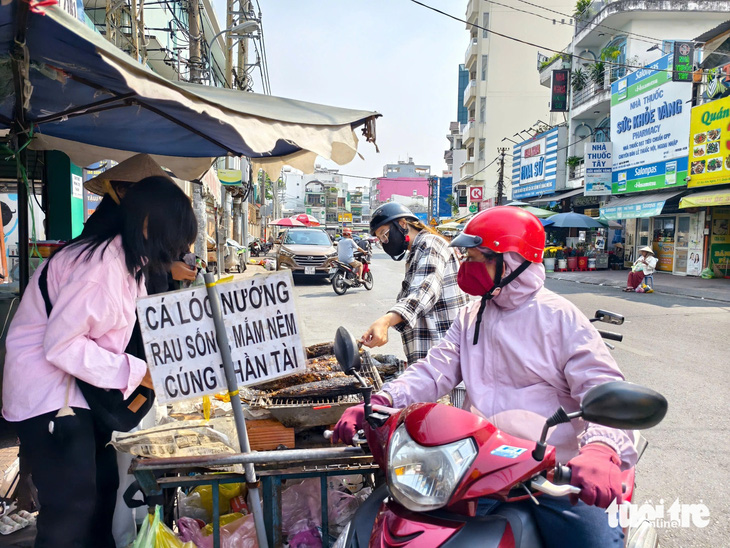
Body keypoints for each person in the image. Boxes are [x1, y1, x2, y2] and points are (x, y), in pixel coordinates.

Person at [334, 207, 635, 546]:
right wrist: (383, 400)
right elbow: (434, 371)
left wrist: (600, 449)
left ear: (513, 261)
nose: (468, 268)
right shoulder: (471, 314)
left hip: (554, 473)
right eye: (468, 258)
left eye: (479, 259)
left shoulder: (560, 318)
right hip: (482, 467)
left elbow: (604, 389)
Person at [2, 176, 197, 548]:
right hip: (49, 395)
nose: (176, 248)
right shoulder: (102, 268)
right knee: (71, 506)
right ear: (147, 225)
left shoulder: (129, 263)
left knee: (103, 488)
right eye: (174, 237)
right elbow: (62, 345)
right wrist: (140, 372)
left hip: (79, 391)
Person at [363, 203, 468, 364]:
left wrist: (385, 321)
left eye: (385, 234)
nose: (385, 242)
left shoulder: (430, 243)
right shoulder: (416, 251)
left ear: (403, 224)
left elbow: (424, 291)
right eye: (380, 239)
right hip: (432, 360)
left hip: (443, 359)